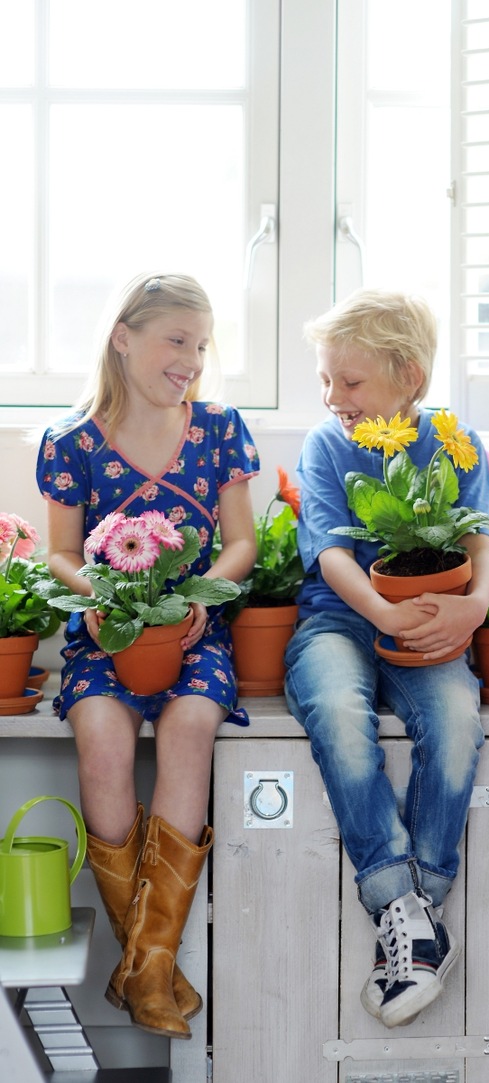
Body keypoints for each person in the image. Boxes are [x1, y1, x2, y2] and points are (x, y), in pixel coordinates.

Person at [35, 273, 259, 1040]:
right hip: (105, 630)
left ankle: (142, 965)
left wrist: (202, 595)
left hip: (196, 629)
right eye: (177, 340)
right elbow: (60, 552)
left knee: (191, 723)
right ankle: (154, 968)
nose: (191, 359)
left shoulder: (221, 428)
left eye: (200, 345)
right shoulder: (72, 440)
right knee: (100, 734)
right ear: (124, 337)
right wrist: (98, 596)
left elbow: (244, 543)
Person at [284, 288, 489, 1029]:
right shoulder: (327, 444)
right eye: (326, 380)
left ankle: (421, 903)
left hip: (429, 623)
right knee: (339, 712)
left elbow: (481, 541)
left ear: (408, 375)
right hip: (342, 620)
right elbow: (334, 554)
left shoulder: (451, 437)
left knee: (456, 713)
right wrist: (381, 611)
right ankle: (403, 906)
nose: (332, 396)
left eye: (349, 381)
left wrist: (474, 606)